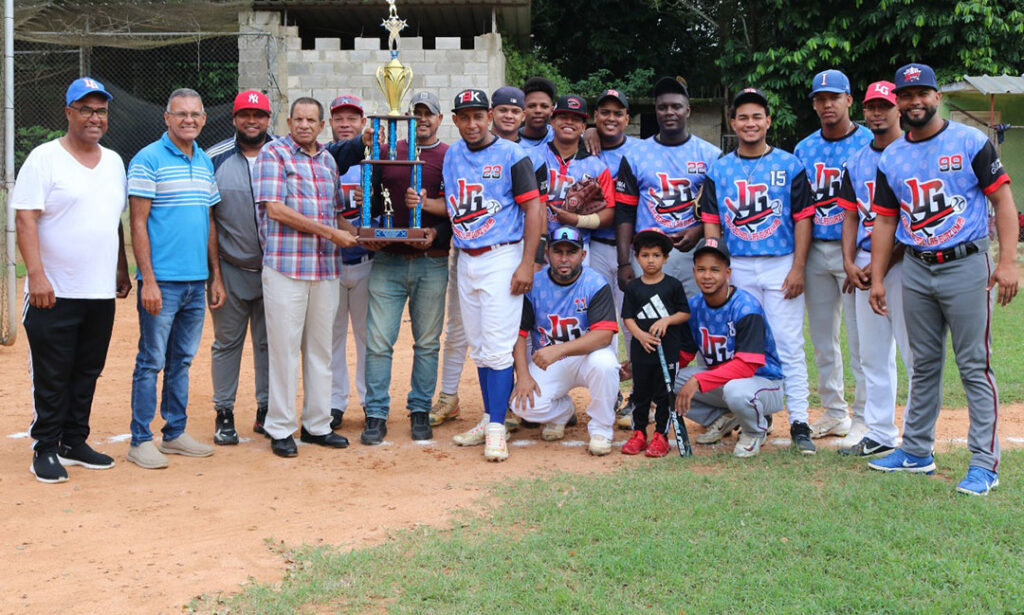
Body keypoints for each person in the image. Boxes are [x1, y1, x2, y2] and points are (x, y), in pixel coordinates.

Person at [866, 63, 1018, 496]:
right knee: (924, 363)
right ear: (898, 101)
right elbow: (884, 221)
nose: (914, 101)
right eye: (906, 95)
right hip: (915, 266)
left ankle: (985, 464)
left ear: (936, 97)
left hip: (967, 264)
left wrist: (1008, 263)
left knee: (974, 365)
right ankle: (915, 451)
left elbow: (1003, 203)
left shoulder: (969, 141)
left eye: (922, 93)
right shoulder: (891, 155)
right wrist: (878, 278)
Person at [13, 77, 130, 483]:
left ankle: (73, 441)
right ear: (68, 113)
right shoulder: (45, 158)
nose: (94, 117)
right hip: (54, 290)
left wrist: (119, 267)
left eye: (101, 111)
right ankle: (45, 447)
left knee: (87, 369)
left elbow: (111, 219)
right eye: (86, 109)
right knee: (52, 372)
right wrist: (37, 276)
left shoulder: (114, 161)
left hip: (98, 291)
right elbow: (25, 218)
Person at [427, 88, 544, 460]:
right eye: (465, 116)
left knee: (497, 345)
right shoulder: (453, 155)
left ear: (490, 116)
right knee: (479, 346)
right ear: (456, 120)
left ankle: (497, 427)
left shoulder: (513, 154)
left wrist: (527, 262)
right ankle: (490, 418)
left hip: (502, 255)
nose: (473, 123)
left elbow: (535, 210)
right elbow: (454, 207)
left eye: (479, 115)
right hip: (466, 257)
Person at [701, 87, 816, 454]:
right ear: (732, 122)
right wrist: (717, 267)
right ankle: (754, 418)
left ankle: (799, 420)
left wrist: (798, 267)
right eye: (742, 117)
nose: (750, 123)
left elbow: (802, 218)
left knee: (787, 343)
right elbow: (711, 221)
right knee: (742, 345)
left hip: (781, 262)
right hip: (738, 265)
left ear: (768, 121)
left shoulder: (789, 163)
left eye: (757, 116)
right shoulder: (720, 168)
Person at [252, 97, 359, 458]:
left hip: (324, 269)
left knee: (320, 351)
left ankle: (317, 425)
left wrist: (365, 234)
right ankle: (280, 427)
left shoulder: (328, 160)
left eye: (311, 120)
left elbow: (333, 214)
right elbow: (275, 209)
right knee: (284, 351)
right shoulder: (274, 154)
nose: (304, 125)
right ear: (288, 120)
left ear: (321, 124)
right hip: (286, 268)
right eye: (298, 119)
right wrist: (332, 234)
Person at [126, 88, 225, 469]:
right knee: (151, 360)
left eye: (195, 114)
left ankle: (174, 434)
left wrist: (214, 276)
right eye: (180, 114)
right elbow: (137, 223)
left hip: (195, 283)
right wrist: (147, 279)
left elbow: (209, 222)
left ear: (203, 119)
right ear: (166, 118)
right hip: (161, 283)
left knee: (181, 361)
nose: (189, 120)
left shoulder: (203, 162)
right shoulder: (147, 159)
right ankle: (140, 440)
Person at [354, 91, 451, 444]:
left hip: (432, 261)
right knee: (379, 342)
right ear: (408, 117)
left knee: (427, 342)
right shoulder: (387, 153)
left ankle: (420, 408)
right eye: (418, 113)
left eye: (430, 113)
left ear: (440, 119)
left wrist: (435, 232)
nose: (423, 118)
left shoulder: (449, 157)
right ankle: (376, 412)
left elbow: (458, 210)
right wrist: (370, 224)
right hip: (388, 259)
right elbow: (373, 200)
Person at [794, 69, 872, 443]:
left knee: (861, 341)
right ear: (814, 104)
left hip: (856, 253)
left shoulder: (871, 141)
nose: (827, 104)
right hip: (815, 253)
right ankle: (835, 412)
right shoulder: (804, 149)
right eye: (820, 99)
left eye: (834, 97)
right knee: (824, 340)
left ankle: (864, 417)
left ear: (848, 101)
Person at [836, 80, 914, 457]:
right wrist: (850, 262)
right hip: (867, 261)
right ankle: (881, 431)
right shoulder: (856, 160)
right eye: (871, 107)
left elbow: (910, 220)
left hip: (905, 260)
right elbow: (849, 216)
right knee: (872, 353)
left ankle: (917, 436)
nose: (877, 113)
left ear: (898, 108)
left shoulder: (912, 152)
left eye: (884, 105)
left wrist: (883, 263)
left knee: (915, 352)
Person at [510, 226, 619, 456]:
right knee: (522, 406)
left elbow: (604, 335)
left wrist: (559, 350)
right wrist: (523, 376)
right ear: (547, 252)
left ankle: (601, 430)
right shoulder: (535, 284)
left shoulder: (595, 283)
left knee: (606, 364)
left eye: (571, 252)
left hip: (588, 356)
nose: (564, 258)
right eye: (558, 252)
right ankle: (563, 412)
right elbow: (519, 335)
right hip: (550, 363)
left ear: (583, 255)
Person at [206, 90, 276, 445]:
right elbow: (208, 220)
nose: (252, 121)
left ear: (268, 119)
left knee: (270, 344)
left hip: (276, 269)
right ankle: (225, 412)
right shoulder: (213, 158)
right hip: (231, 268)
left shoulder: (283, 154)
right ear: (234, 119)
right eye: (245, 115)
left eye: (259, 115)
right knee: (227, 342)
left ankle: (266, 410)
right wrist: (214, 276)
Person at [675, 238, 786, 458]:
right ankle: (723, 417)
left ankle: (756, 430)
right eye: (701, 269)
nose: (707, 276)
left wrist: (698, 380)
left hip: (765, 383)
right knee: (667, 377)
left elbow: (746, 366)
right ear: (694, 271)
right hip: (725, 382)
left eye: (715, 270)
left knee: (736, 390)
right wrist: (643, 368)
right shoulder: (694, 306)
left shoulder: (746, 307)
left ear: (728, 273)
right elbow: (686, 353)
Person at [615, 76, 721, 301]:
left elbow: (720, 210)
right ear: (656, 111)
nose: (669, 112)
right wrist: (623, 262)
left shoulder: (710, 155)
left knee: (693, 322)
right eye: (663, 107)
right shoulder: (635, 155)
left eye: (676, 106)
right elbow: (624, 212)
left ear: (688, 111)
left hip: (694, 252)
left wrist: (698, 230)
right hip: (648, 254)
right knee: (649, 325)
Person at [620, 230, 689, 458]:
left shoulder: (673, 286)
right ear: (637, 258)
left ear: (666, 258)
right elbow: (628, 317)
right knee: (640, 394)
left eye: (657, 255)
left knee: (663, 395)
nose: (651, 260)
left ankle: (661, 435)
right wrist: (640, 335)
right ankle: (639, 433)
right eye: (646, 255)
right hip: (642, 351)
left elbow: (684, 313)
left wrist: (667, 320)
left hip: (667, 352)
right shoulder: (633, 288)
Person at [327, 94, 372, 430]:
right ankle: (334, 403)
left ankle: (372, 402)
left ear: (362, 123)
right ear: (330, 123)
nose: (345, 124)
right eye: (339, 118)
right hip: (329, 261)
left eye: (351, 119)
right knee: (331, 338)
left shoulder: (372, 159)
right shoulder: (321, 157)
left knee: (367, 336)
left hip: (367, 260)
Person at [530, 95, 616, 251]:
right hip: (534, 243)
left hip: (578, 247)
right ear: (552, 122)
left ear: (583, 127)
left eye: (576, 119)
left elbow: (610, 213)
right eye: (563, 117)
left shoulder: (597, 167)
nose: (569, 122)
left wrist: (579, 220)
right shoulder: (531, 157)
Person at [519, 76, 556, 148]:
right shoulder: (511, 140)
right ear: (523, 109)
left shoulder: (559, 138)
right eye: (532, 106)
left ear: (552, 110)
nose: (538, 111)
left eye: (544, 106)